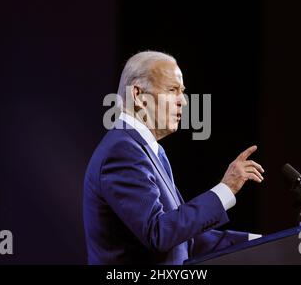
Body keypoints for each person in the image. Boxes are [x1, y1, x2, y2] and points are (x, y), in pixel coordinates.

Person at [83, 51, 265, 264]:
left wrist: (258, 243)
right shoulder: (122, 151)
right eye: (172, 90)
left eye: (182, 92)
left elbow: (184, 241)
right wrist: (225, 189)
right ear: (138, 96)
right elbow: (159, 233)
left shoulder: (150, 150)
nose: (184, 102)